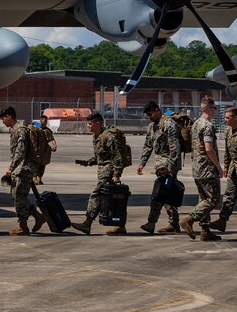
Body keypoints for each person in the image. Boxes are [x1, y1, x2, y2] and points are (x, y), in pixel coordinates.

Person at [70, 111, 126, 235]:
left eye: (90, 124)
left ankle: (87, 224)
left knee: (95, 196)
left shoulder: (108, 136)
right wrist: (89, 162)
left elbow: (117, 156)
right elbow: (101, 157)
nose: (88, 126)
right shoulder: (96, 136)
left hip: (109, 172)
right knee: (108, 200)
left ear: (98, 123)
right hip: (102, 171)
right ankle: (120, 226)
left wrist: (117, 174)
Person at [137, 100, 182, 234]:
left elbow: (175, 147)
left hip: (168, 165)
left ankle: (152, 222)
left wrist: (171, 167)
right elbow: (148, 146)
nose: (150, 117)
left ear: (157, 110)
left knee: (159, 194)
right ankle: (173, 223)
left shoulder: (168, 124)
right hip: (160, 165)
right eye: (148, 115)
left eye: (151, 114)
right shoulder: (152, 126)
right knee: (167, 194)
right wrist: (142, 163)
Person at [181, 97, 222, 241]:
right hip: (207, 168)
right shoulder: (207, 126)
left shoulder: (196, 123)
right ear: (211, 109)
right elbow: (209, 149)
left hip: (197, 167)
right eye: (215, 108)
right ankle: (189, 219)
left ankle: (205, 230)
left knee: (203, 199)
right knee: (213, 198)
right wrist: (218, 166)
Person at [1, 106, 44, 235]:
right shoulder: (16, 130)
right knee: (18, 195)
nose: (3, 121)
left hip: (23, 169)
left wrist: (11, 168)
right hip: (21, 168)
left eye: (3, 118)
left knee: (19, 196)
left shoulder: (20, 130)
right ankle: (38, 216)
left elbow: (20, 151)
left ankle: (23, 226)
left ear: (9, 116)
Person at [34, 114, 57, 184]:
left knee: (42, 165)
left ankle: (39, 178)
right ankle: (35, 178)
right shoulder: (35, 127)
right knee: (35, 165)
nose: (46, 121)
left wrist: (55, 145)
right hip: (36, 150)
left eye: (46, 120)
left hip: (44, 151)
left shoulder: (47, 130)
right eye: (44, 120)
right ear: (40, 120)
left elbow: (52, 138)